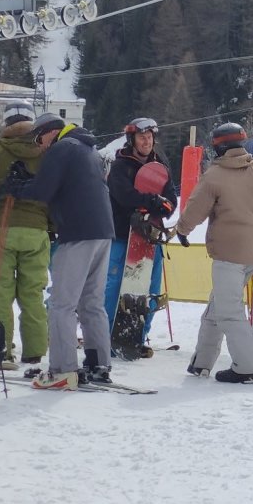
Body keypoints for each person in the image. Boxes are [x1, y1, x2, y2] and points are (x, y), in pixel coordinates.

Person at [4, 115, 115, 390]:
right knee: (91, 302)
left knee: (61, 304)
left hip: (77, 233)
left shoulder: (63, 147)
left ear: (50, 133)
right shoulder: (87, 148)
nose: (39, 146)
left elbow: (43, 191)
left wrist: (16, 188)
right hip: (103, 231)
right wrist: (30, 180)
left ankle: (64, 369)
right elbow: (62, 184)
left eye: (39, 139)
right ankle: (99, 363)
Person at [176, 122, 253, 385]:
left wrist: (182, 229)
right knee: (217, 308)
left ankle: (245, 368)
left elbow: (195, 209)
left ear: (219, 146)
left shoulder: (214, 176)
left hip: (227, 255)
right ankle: (201, 362)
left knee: (229, 311)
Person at [0, 104, 50, 370]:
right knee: (32, 293)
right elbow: (54, 195)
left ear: (5, 125)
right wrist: (48, 225)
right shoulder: (46, 155)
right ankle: (35, 351)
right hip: (36, 231)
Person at [104, 118, 176, 356]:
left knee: (149, 289)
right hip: (122, 235)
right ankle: (105, 335)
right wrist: (152, 202)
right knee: (114, 288)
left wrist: (159, 206)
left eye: (149, 137)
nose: (146, 141)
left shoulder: (160, 163)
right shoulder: (121, 165)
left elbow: (170, 200)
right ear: (132, 140)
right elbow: (124, 196)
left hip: (150, 237)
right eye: (141, 137)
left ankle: (138, 336)